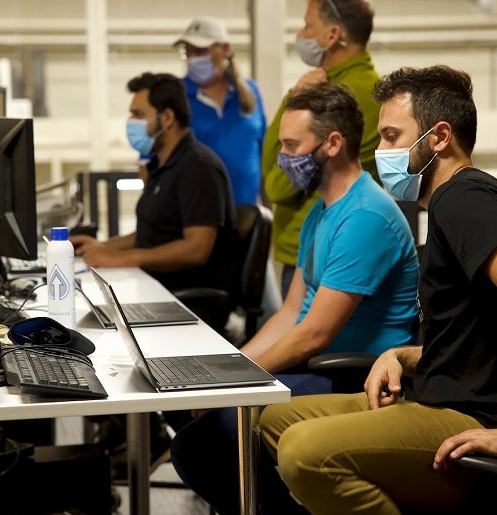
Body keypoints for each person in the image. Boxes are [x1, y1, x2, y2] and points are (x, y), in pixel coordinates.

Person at [259, 65, 497, 515]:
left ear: (439, 137)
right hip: (442, 398)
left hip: (473, 420)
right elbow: (475, 345)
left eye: (391, 137)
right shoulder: (448, 206)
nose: (380, 152)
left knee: (304, 453)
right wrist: (401, 356)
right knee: (272, 419)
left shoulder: (462, 196)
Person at [169, 82, 420, 515]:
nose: (284, 159)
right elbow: (289, 314)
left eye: (290, 146)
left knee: (205, 442)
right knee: (192, 424)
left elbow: (314, 334)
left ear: (332, 144)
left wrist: (232, 387)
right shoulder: (321, 212)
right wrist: (228, 369)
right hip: (318, 365)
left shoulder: (365, 216)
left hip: (353, 375)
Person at [71, 71, 238, 332]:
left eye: (139, 114)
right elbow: (152, 233)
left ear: (167, 118)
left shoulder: (198, 167)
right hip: (157, 290)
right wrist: (103, 247)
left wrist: (121, 258)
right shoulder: (163, 166)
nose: (131, 122)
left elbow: (196, 249)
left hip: (187, 303)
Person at [262, 0, 381, 298]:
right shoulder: (353, 86)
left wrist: (295, 97)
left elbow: (276, 184)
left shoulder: (340, 96)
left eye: (308, 25)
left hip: (319, 250)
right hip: (313, 244)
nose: (301, 34)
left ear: (332, 35)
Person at [173, 15, 267, 207]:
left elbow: (264, 156)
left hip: (246, 212)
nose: (193, 59)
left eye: (201, 51)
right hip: (196, 214)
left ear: (225, 49)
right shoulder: (177, 96)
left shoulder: (251, 92)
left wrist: (269, 210)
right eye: (188, 51)